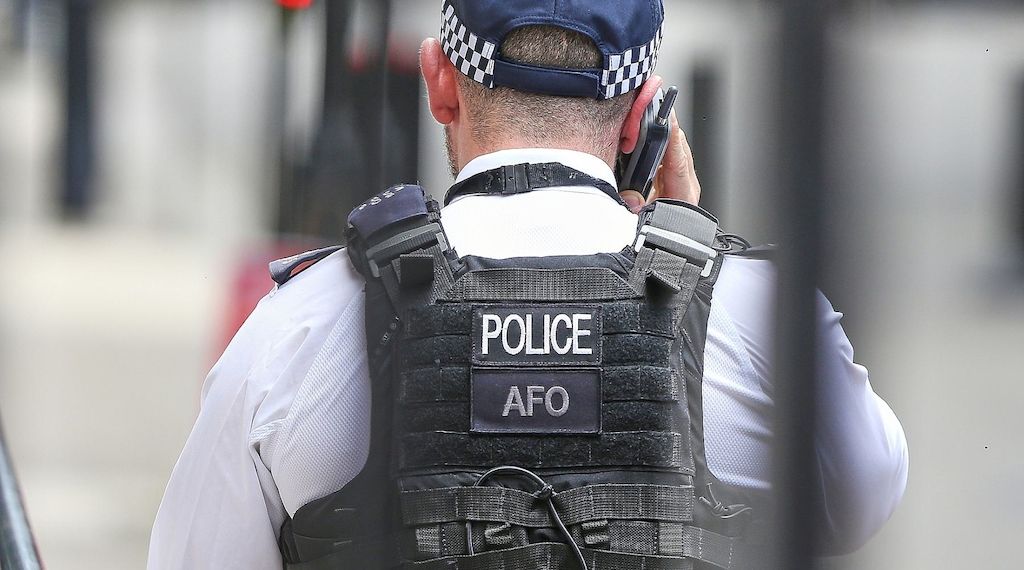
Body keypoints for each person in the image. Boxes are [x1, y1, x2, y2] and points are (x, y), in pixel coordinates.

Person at [148, 1, 909, 568]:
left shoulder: (299, 330)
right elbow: (860, 501)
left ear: (440, 85)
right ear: (646, 115)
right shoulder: (760, 321)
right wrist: (693, 257)